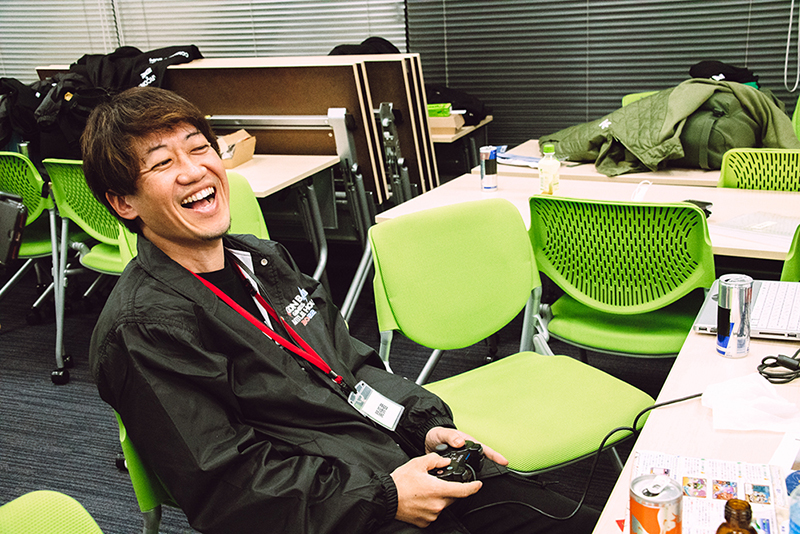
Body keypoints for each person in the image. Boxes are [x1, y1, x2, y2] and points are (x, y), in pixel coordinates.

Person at [82, 86, 599, 534]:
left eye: (199, 148)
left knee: (581, 522)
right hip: (332, 511)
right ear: (124, 202)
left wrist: (421, 424)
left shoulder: (262, 261)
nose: (194, 170)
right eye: (163, 163)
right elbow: (226, 484)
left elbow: (349, 364)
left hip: (393, 464)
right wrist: (384, 497)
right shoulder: (145, 329)